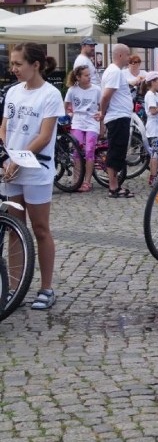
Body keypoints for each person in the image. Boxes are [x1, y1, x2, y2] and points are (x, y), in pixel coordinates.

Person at [0, 43, 64, 310]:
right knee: (14, 230)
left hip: (36, 170)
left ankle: (46, 288)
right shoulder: (12, 92)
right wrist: (6, 153)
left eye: (18, 64)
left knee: (40, 229)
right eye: (12, 64)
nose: (12, 68)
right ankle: (15, 287)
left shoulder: (50, 94)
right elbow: (4, 126)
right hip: (10, 170)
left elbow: (44, 135)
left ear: (35, 65)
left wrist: (18, 157)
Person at [99, 43, 136, 198]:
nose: (129, 58)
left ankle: (115, 185)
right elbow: (106, 95)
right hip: (117, 117)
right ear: (120, 55)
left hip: (119, 116)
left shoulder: (114, 71)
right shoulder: (114, 72)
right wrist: (102, 112)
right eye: (128, 55)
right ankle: (113, 187)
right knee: (116, 151)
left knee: (118, 150)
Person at [63, 65, 103, 193]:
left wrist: (102, 126)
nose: (89, 77)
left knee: (89, 150)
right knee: (76, 150)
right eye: (86, 75)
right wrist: (68, 115)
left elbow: (101, 108)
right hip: (78, 122)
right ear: (78, 77)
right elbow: (65, 106)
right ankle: (77, 180)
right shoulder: (72, 90)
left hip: (92, 121)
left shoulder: (96, 90)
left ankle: (87, 181)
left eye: (89, 75)